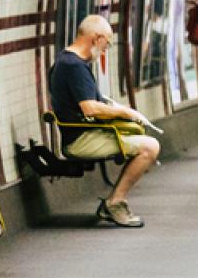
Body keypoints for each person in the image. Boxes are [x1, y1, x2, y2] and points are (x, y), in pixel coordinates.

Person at [50, 15, 160, 227]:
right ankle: (114, 203)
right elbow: (90, 108)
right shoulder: (74, 67)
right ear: (95, 38)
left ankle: (114, 203)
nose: (106, 48)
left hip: (85, 133)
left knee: (141, 140)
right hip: (81, 139)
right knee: (150, 148)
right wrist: (126, 114)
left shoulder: (67, 61)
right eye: (107, 43)